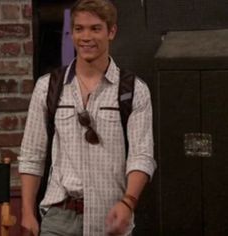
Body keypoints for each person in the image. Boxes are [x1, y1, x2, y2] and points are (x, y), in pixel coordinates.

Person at [18, 0, 156, 235]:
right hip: (59, 217)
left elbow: (141, 156)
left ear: (111, 31)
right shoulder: (48, 87)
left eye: (95, 28)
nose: (86, 37)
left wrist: (128, 203)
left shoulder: (133, 90)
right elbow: (32, 155)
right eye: (79, 29)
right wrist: (27, 212)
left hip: (110, 216)